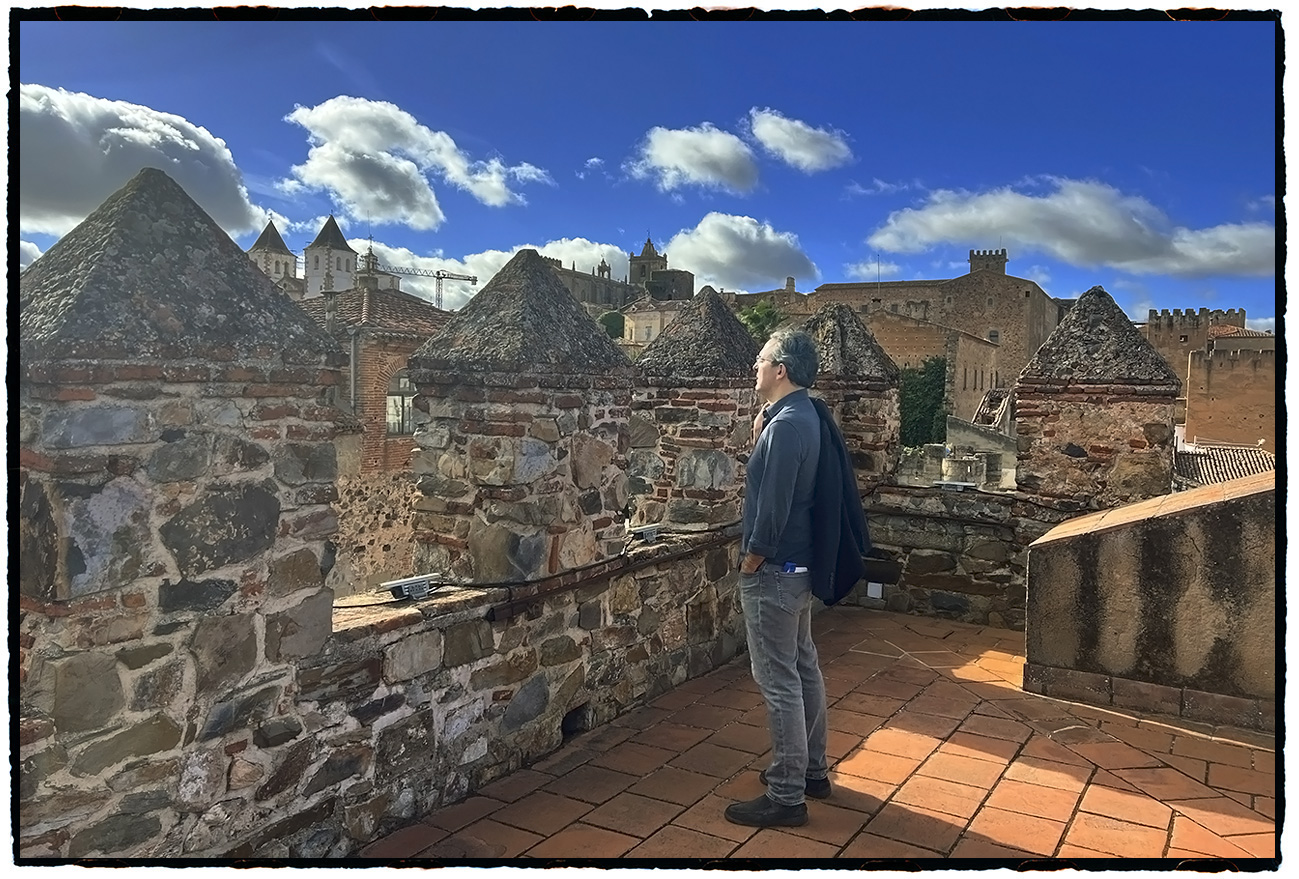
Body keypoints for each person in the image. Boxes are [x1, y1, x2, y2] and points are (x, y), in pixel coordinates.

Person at [725, 329, 831, 828]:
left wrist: (753, 558)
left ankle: (787, 795)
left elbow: (774, 503)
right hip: (798, 567)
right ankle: (811, 771)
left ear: (781, 369)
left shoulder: (787, 427)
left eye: (762, 359)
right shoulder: (802, 414)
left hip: (774, 569)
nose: (755, 366)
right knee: (802, 665)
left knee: (777, 678)